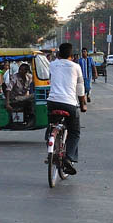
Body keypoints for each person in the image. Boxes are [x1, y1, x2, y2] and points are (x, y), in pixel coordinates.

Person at [47, 42, 86, 174]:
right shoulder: (76, 67)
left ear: (58, 54)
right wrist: (83, 104)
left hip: (52, 102)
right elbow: (80, 88)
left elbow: (49, 80)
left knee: (51, 125)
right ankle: (69, 158)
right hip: (69, 104)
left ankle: (50, 144)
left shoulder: (52, 65)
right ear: (71, 55)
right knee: (74, 132)